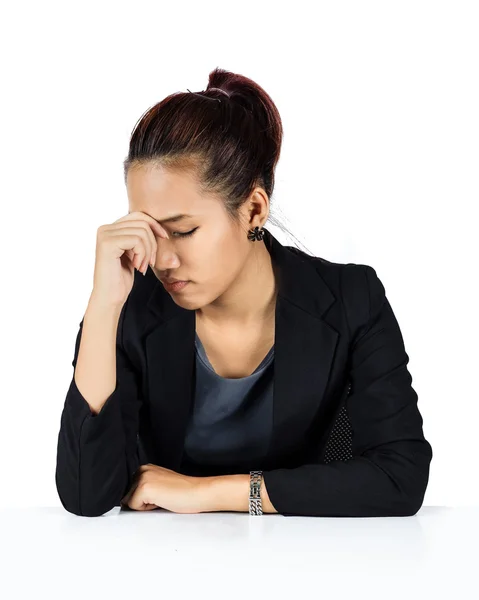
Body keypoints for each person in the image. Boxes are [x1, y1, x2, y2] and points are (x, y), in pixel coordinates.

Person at [55, 67, 433, 518]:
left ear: (253, 209)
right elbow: (85, 496)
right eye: (151, 233)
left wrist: (209, 493)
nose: (162, 259)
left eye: (184, 231)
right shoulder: (129, 310)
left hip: (315, 565)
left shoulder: (352, 299)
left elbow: (400, 478)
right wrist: (102, 305)